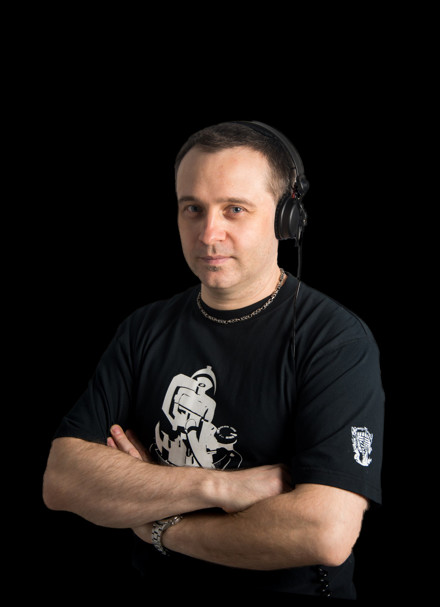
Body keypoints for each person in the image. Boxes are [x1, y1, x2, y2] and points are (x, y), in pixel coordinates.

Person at [43, 120, 384, 600]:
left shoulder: (336, 342)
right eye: (193, 209)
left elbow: (325, 532)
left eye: (234, 209)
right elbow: (62, 480)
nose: (208, 233)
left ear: (286, 218)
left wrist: (162, 528)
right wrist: (222, 488)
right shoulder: (143, 329)